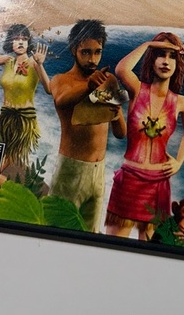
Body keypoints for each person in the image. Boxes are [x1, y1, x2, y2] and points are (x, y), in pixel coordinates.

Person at [105, 32, 184, 241]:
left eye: (172, 56)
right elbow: (121, 69)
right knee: (113, 245)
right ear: (152, 59)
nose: (166, 61)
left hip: (158, 185)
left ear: (178, 63)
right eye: (160, 54)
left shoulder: (183, 103)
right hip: (128, 182)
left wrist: (179, 162)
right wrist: (148, 44)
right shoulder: (137, 90)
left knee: (149, 248)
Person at [49, 19, 126, 233]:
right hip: (70, 171)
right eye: (86, 52)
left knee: (90, 234)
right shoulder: (60, 80)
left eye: (97, 52)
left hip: (98, 173)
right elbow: (61, 100)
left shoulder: (109, 80)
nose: (93, 59)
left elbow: (121, 133)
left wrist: (117, 113)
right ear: (74, 49)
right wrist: (88, 86)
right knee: (57, 230)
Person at [0, 23, 50, 177]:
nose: (20, 42)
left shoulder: (34, 63)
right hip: (4, 118)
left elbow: (49, 89)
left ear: (28, 43)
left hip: (23, 122)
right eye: (16, 39)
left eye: (24, 39)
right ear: (10, 42)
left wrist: (40, 64)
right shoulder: (8, 60)